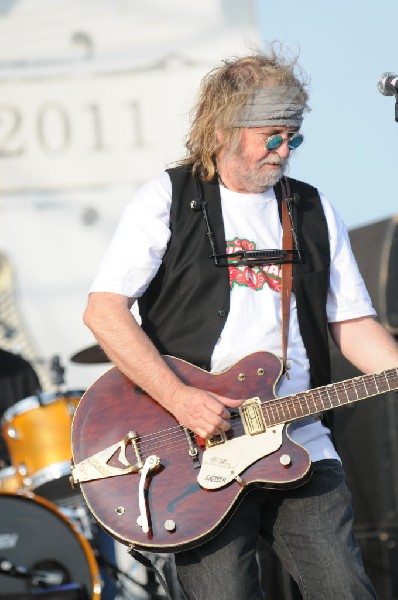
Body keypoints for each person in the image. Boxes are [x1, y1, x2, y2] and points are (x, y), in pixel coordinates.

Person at [83, 45, 398, 600]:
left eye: (293, 137)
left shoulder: (312, 209)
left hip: (300, 441)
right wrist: (181, 400)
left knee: (347, 589)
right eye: (271, 136)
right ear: (225, 129)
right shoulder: (169, 199)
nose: (284, 151)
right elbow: (104, 312)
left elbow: (351, 323)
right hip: (196, 451)